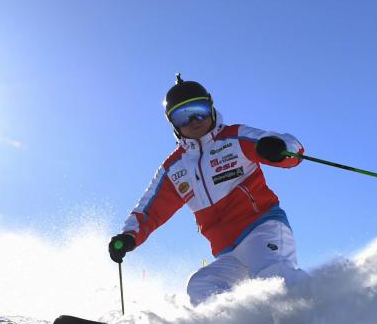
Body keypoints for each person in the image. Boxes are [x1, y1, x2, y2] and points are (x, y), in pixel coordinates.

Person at [109, 76, 310, 305]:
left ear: (211, 108)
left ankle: (324, 317)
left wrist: (279, 148)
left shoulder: (234, 138)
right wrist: (128, 236)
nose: (194, 120)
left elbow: (291, 150)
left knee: (272, 276)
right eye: (183, 116)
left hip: (262, 229)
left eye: (200, 110)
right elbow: (149, 210)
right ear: (174, 124)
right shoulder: (175, 168)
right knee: (202, 285)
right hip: (227, 252)